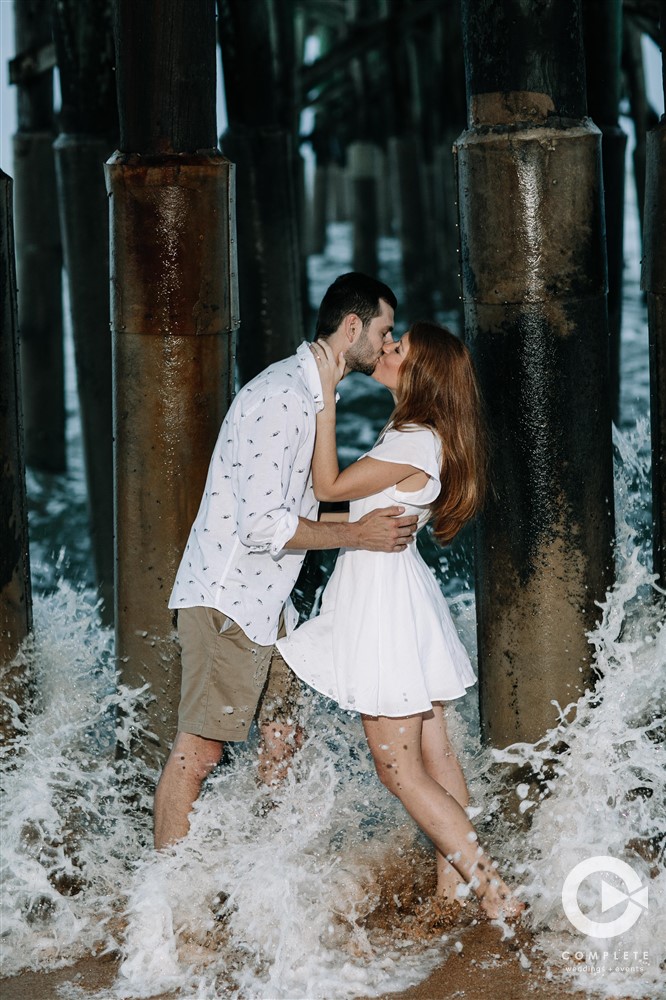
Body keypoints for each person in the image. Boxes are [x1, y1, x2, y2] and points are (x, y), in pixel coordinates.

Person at [153, 273, 420, 850]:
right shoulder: (281, 397)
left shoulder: (312, 396)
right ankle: (170, 900)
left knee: (285, 740)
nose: (387, 343)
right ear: (353, 327)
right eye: (384, 330)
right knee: (199, 753)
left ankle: (262, 881)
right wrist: (359, 534)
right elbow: (262, 527)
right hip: (226, 602)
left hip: (268, 607)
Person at [277, 321, 524, 920]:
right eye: (392, 340)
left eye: (398, 348)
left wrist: (325, 397)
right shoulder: (416, 433)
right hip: (396, 594)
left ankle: (494, 894)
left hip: (383, 607)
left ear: (420, 374)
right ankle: (452, 895)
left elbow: (328, 484)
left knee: (400, 772)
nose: (386, 349)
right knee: (437, 762)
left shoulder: (413, 439)